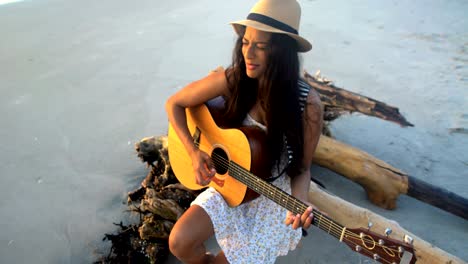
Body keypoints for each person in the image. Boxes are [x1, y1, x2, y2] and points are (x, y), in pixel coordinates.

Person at [165, 0, 323, 263]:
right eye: (246, 42)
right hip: (234, 176)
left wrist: (300, 204)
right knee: (179, 242)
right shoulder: (234, 79)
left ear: (282, 53)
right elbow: (175, 103)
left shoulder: (308, 106)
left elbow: (303, 169)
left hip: (271, 194)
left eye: (260, 46)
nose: (248, 53)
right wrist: (193, 153)